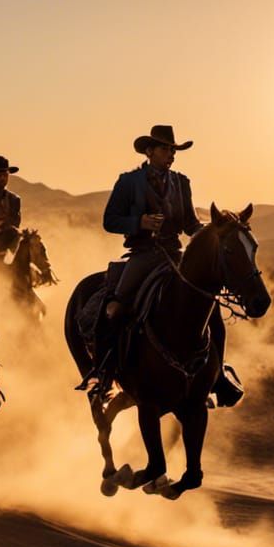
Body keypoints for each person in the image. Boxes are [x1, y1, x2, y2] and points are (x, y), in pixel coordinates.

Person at [90, 125, 227, 394]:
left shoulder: (181, 182)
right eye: (166, 149)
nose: (172, 154)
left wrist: (211, 234)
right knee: (115, 309)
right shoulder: (128, 182)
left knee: (213, 310)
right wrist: (138, 222)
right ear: (150, 151)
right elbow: (110, 221)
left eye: (174, 150)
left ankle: (218, 375)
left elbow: (189, 223)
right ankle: (104, 373)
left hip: (175, 255)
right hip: (142, 255)